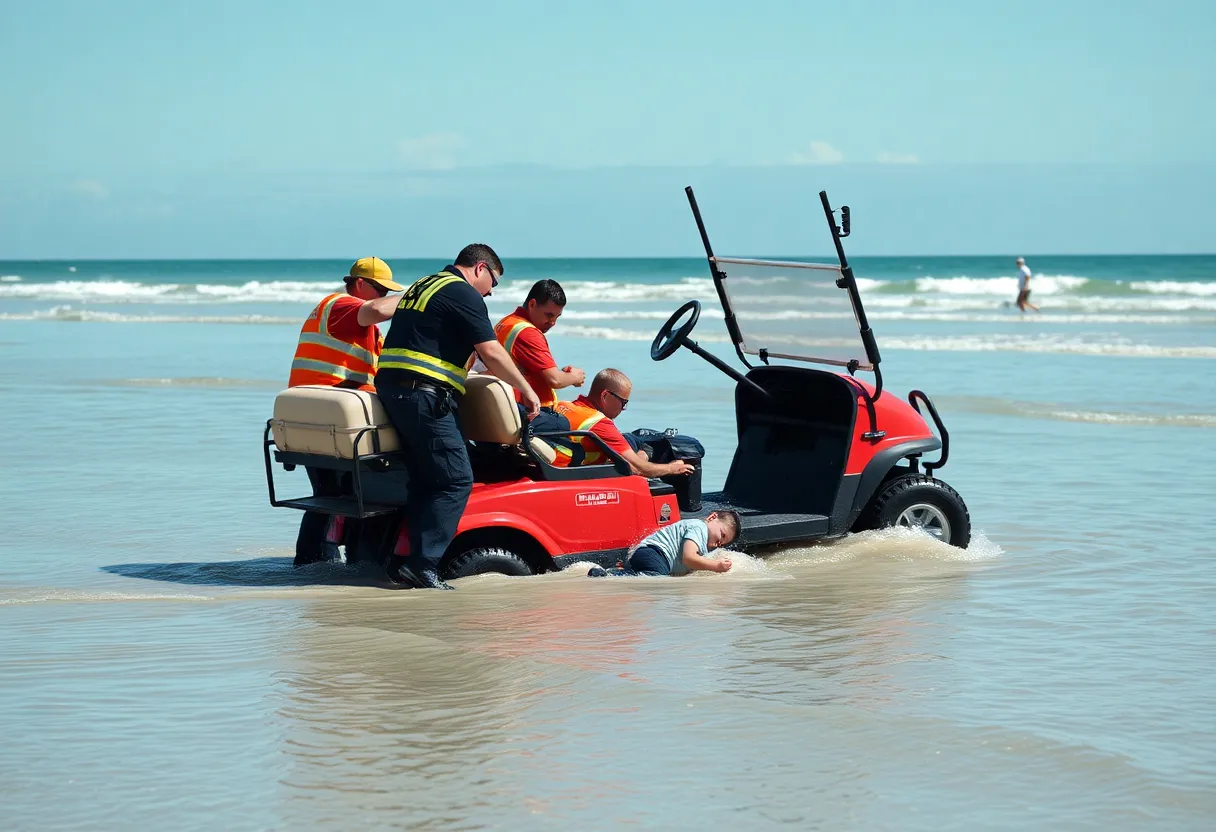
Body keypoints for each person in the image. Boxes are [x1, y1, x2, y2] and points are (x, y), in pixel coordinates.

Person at [364, 244, 541, 590]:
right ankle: (423, 564)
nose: (491, 291)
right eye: (493, 282)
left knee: (425, 479)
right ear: (479, 268)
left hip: (396, 390)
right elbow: (490, 351)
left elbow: (432, 339)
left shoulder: (423, 285)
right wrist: (527, 389)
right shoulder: (463, 292)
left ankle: (406, 562)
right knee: (457, 480)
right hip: (423, 395)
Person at [288, 257, 404, 567]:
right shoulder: (342, 306)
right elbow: (379, 310)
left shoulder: (364, 328)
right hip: (328, 417)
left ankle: (320, 560)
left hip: (325, 417)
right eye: (380, 290)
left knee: (334, 493)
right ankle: (316, 562)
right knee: (335, 494)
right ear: (361, 284)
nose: (383, 297)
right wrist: (415, 296)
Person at [551, 368, 696, 479]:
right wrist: (672, 468)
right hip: (578, 469)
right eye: (623, 402)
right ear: (605, 395)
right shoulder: (599, 423)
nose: (624, 409)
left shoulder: (561, 405)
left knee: (637, 438)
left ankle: (645, 444)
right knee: (679, 445)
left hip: (568, 459)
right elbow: (640, 470)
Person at [470, 279, 586, 407]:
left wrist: (564, 375)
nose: (553, 322)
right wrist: (575, 377)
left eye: (557, 317)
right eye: (549, 315)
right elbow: (555, 380)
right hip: (529, 410)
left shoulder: (506, 323)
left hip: (504, 404)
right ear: (532, 304)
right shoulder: (527, 333)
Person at [587, 510, 740, 577]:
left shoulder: (704, 545)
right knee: (656, 580)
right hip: (654, 553)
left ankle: (620, 570)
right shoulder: (699, 527)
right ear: (712, 517)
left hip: (651, 557)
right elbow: (689, 558)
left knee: (656, 576)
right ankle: (608, 575)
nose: (718, 543)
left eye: (722, 543)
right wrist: (717, 566)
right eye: (722, 535)